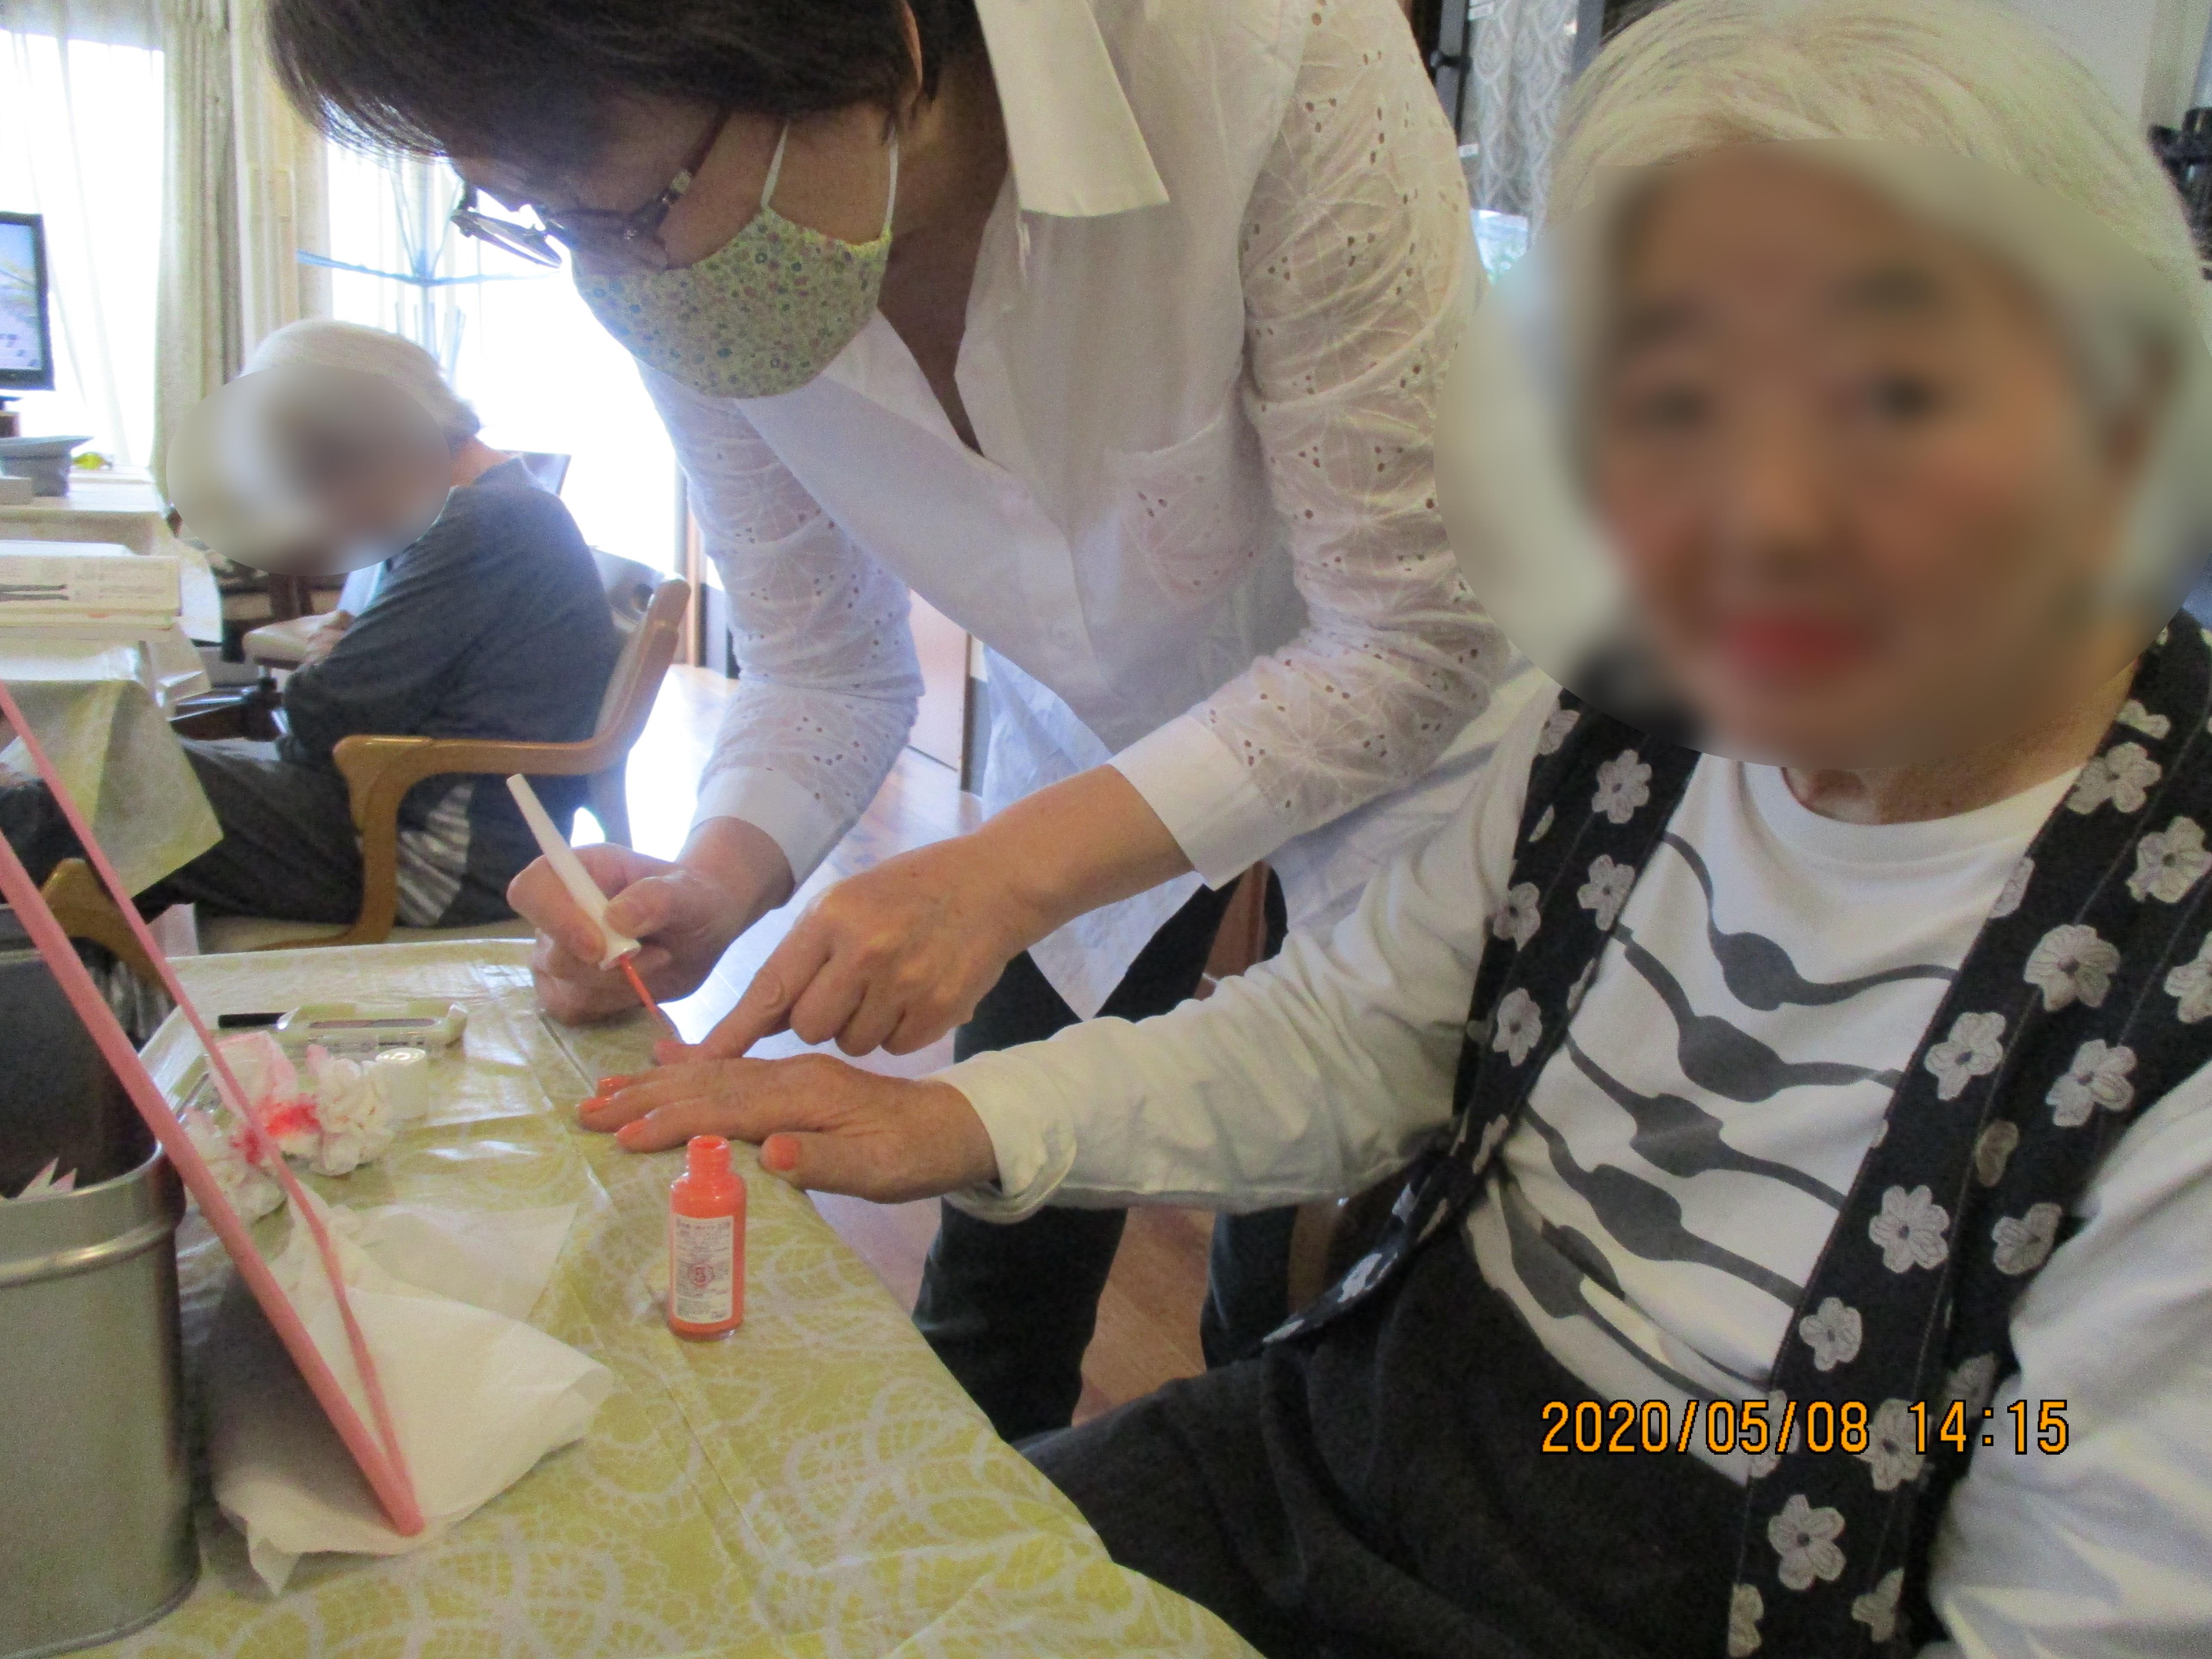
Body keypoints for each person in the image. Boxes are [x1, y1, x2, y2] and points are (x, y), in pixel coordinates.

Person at [565, 2, 2212, 1654]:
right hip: (1363, 1442)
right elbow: (1361, 1035)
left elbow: (2068, 1605)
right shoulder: (1633, 724)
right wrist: (950, 1120)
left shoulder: (2166, 979)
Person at [266, 0, 1534, 1434]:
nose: (607, 277)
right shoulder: (681, 271)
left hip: (1423, 758)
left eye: (625, 207)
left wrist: (995, 876)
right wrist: (713, 882)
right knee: (994, 1264)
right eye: (541, 219)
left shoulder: (1258, 50)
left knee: (1299, 1287)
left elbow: (1412, 632)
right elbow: (825, 661)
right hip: (1091, 746)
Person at [1, 321, 623, 927]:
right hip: (393, 809)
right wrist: (336, 672)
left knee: (86, 793)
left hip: (429, 856)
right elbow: (346, 704)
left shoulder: (485, 525)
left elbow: (327, 715)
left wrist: (328, 667)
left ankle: (71, 978)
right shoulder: (491, 508)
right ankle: (95, 978)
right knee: (97, 771)